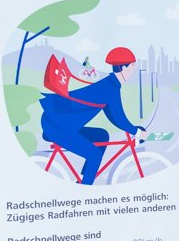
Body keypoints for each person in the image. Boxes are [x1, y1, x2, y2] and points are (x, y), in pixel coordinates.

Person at [40, 46, 144, 185]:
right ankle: (84, 188)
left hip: (57, 122)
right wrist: (136, 131)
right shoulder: (110, 88)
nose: (133, 70)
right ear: (123, 67)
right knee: (94, 155)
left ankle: (84, 177)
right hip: (57, 127)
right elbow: (118, 117)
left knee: (102, 136)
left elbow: (113, 115)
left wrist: (132, 128)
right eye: (132, 66)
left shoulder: (109, 85)